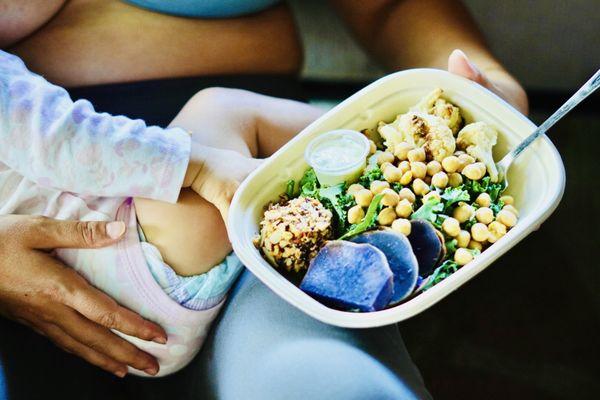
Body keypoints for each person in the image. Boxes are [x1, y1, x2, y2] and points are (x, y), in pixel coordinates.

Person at [0, 1, 528, 398]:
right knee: (223, 110)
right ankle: (406, 141)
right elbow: (57, 138)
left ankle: (422, 143)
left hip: (140, 252)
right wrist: (198, 165)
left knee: (322, 379)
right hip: (134, 221)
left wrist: (490, 91)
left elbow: (388, 7)